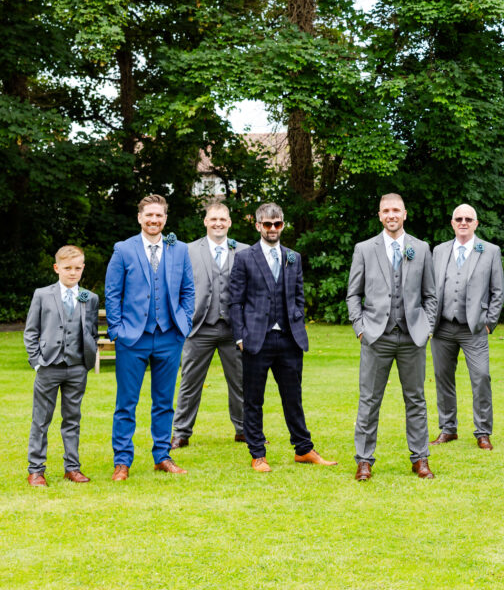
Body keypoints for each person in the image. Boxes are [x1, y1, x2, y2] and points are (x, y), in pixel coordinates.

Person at [229, 202, 336, 472]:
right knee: (253, 399)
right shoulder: (244, 258)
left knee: (293, 396)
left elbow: (298, 294)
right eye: (267, 224)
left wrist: (296, 320)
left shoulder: (293, 257)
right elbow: (235, 301)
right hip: (256, 339)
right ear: (258, 226)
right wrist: (240, 335)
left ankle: (303, 449)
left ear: (283, 224)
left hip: (289, 339)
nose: (273, 228)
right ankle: (257, 454)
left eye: (277, 223)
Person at [347, 193, 437, 481]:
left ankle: (420, 458)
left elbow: (431, 295)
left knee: (416, 400)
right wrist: (360, 328)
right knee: (369, 401)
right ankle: (364, 460)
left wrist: (428, 326)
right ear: (379, 215)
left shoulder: (421, 249)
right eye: (386, 210)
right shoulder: (364, 249)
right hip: (375, 337)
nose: (391, 215)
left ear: (405, 214)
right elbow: (353, 294)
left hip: (412, 337)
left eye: (396, 210)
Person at [105, 194, 194, 481]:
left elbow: (188, 291)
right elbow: (112, 293)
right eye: (149, 215)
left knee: (165, 402)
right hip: (133, 338)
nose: (154, 220)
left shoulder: (179, 249)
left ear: (165, 218)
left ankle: (162, 456)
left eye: (159, 215)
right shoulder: (123, 249)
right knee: (126, 403)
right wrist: (118, 331)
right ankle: (122, 461)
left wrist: (184, 322)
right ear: (140, 218)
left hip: (169, 337)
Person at [171, 201, 249, 449]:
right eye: (213, 219)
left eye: (222, 219)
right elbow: (176, 288)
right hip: (199, 327)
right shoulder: (188, 250)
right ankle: (181, 433)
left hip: (234, 329)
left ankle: (244, 429)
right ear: (205, 221)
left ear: (229, 223)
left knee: (241, 383)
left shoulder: (245, 251)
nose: (218, 223)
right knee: (189, 382)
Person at [429, 204, 504, 450]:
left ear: (476, 223)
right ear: (452, 223)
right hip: (442, 328)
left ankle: (483, 431)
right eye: (458, 218)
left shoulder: (490, 251)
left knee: (481, 377)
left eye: (468, 219)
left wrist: (489, 324)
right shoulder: (439, 251)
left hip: (474, 328)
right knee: (443, 379)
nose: (463, 222)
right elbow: (429, 289)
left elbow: (498, 291)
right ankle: (448, 428)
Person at [23, 246, 99, 486]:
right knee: (41, 419)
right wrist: (37, 362)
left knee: (72, 418)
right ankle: (36, 470)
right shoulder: (42, 295)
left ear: (83, 268)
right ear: (57, 268)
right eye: (67, 268)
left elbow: (92, 332)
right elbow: (31, 331)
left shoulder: (90, 298)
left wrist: (87, 360)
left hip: (77, 367)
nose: (73, 273)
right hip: (48, 366)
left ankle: (72, 468)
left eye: (77, 268)